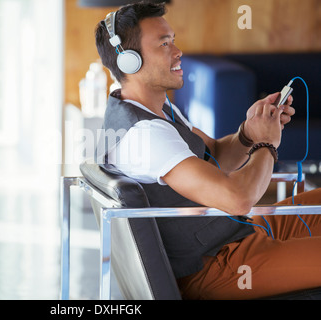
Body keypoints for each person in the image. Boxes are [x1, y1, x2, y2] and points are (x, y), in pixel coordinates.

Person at [93, 1, 321, 300]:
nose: (178, 51)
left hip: (233, 234)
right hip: (220, 265)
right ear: (129, 62)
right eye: (164, 44)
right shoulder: (145, 136)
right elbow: (238, 199)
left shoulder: (156, 110)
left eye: (173, 40)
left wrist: (248, 133)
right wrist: (267, 143)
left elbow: (214, 153)